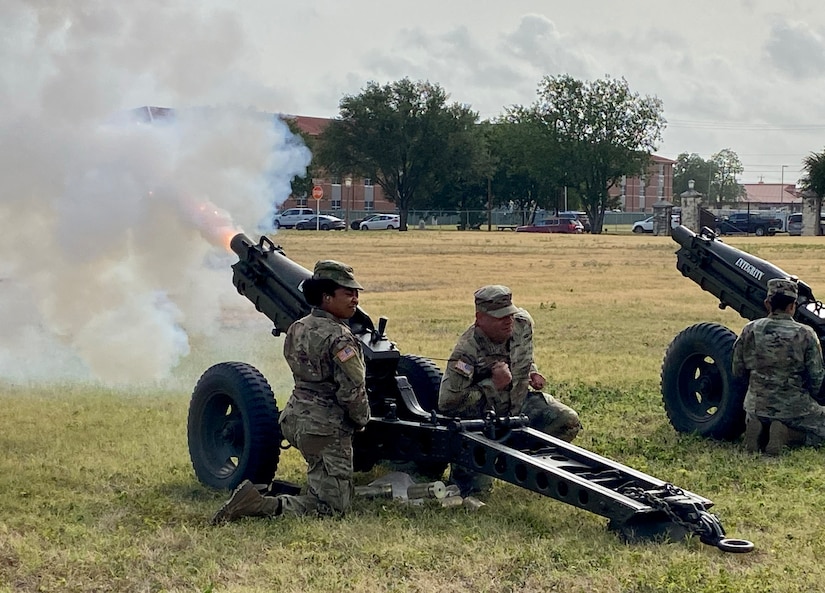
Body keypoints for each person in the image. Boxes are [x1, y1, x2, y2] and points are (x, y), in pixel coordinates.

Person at [212, 260, 370, 523]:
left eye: (356, 293)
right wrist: (361, 420)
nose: (355, 299)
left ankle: (273, 489)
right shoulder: (341, 338)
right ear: (326, 296)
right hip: (324, 428)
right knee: (332, 508)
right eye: (347, 293)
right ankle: (259, 504)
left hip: (295, 419)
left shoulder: (298, 327)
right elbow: (352, 390)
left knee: (327, 478)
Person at [438, 285, 582, 495]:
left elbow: (523, 354)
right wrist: (492, 386)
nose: (508, 321)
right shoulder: (466, 352)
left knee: (567, 421)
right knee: (472, 491)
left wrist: (532, 372)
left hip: (518, 407)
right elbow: (448, 403)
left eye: (509, 314)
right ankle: (491, 462)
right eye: (499, 317)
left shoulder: (522, 324)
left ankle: (523, 465)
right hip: (481, 422)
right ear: (480, 318)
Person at [732, 277, 825, 455]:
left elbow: (737, 370)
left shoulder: (749, 329)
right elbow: (816, 379)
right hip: (793, 409)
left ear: (768, 303)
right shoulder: (806, 334)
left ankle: (757, 428)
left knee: (759, 414)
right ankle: (787, 435)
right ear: (793, 306)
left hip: (755, 406)